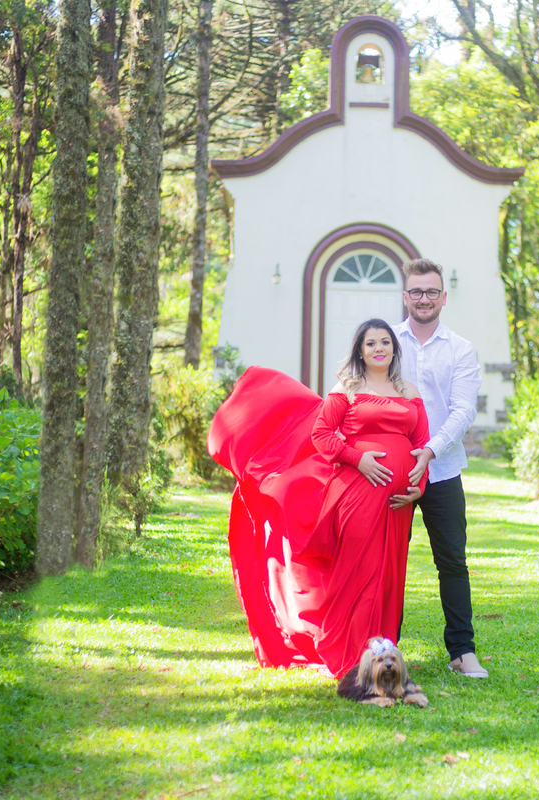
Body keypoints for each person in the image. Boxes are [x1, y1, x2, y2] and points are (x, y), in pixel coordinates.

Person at [207, 319, 430, 680]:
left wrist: (421, 485)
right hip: (357, 491)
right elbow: (322, 435)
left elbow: (421, 444)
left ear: (394, 348)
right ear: (360, 350)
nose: (379, 348)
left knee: (389, 576)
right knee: (360, 574)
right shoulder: (348, 388)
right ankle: (351, 658)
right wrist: (359, 459)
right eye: (371, 343)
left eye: (385, 342)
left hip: (399, 501)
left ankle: (380, 655)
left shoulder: (409, 389)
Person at [393, 258, 489, 679]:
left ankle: (462, 652)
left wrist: (429, 451)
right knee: (385, 561)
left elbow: (463, 410)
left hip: (442, 468)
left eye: (431, 291)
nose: (424, 298)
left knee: (452, 561)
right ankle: (382, 648)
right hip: (393, 472)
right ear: (405, 296)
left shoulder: (461, 349)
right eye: (416, 291)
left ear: (443, 297)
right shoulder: (385, 341)